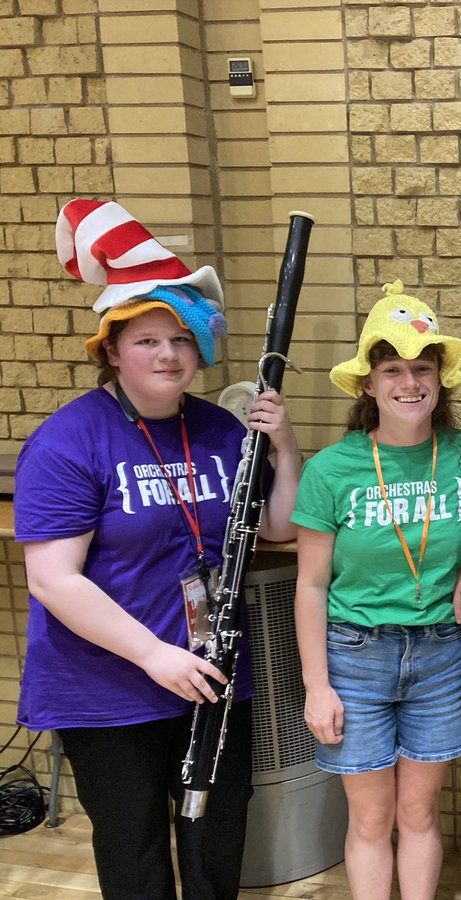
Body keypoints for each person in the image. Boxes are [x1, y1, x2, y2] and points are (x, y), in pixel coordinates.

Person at [15, 198, 302, 899]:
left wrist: (285, 444)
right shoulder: (68, 441)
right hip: (109, 690)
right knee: (134, 849)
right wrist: (153, 654)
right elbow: (54, 580)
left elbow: (279, 529)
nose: (167, 354)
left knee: (215, 843)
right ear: (111, 350)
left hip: (211, 673)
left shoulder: (217, 429)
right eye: (145, 341)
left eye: (178, 339)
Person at [292, 281, 461, 900]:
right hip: (353, 656)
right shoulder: (331, 469)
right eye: (392, 369)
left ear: (440, 379)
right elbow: (310, 585)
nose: (409, 382)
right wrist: (316, 686)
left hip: (437, 654)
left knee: (419, 816)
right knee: (372, 819)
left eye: (422, 368)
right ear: (369, 384)